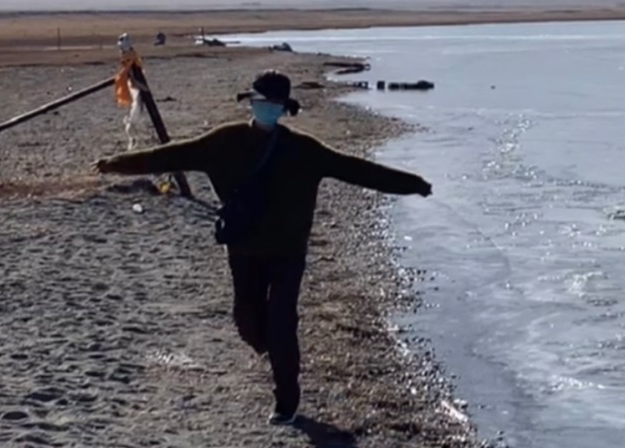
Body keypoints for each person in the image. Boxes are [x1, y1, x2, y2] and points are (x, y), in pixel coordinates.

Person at [95, 71, 432, 425]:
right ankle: (276, 351)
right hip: (243, 251)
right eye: (262, 104)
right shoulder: (223, 142)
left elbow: (359, 171)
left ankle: (286, 401)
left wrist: (413, 184)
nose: (267, 110)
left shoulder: (305, 150)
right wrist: (116, 164)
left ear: (284, 110)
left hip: (288, 253)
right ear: (251, 104)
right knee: (248, 323)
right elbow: (170, 156)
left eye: (274, 106)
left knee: (282, 322)